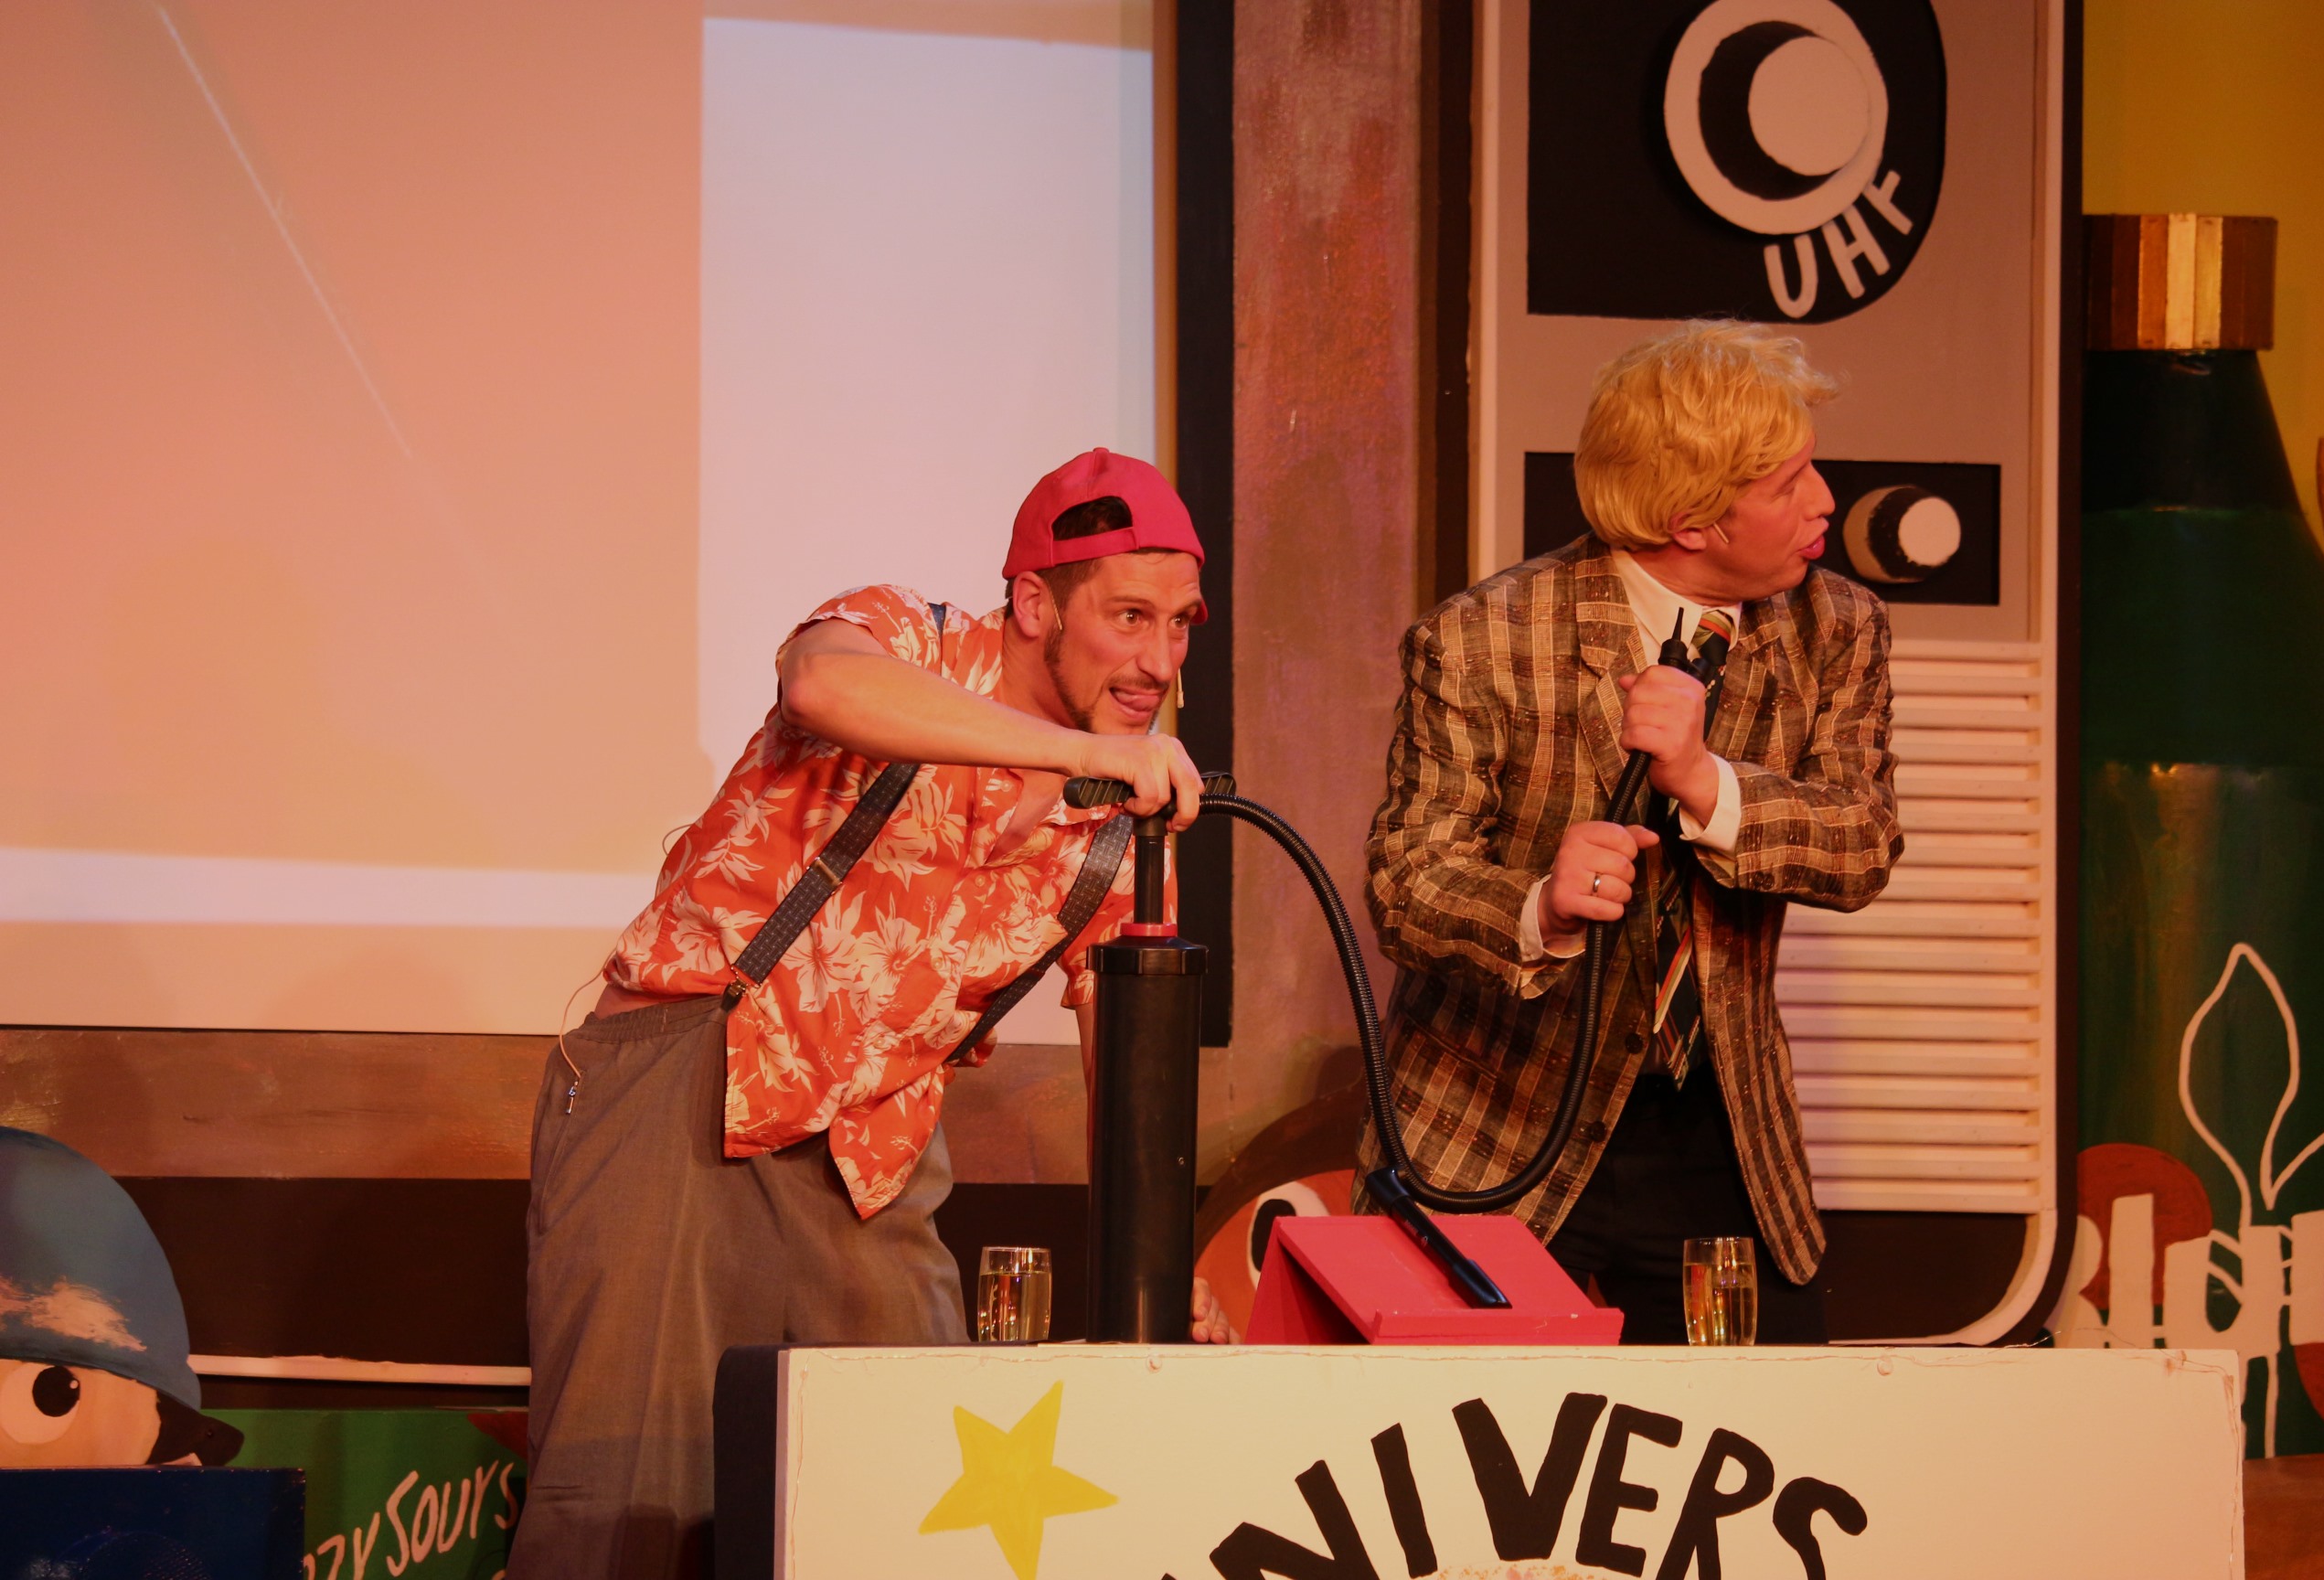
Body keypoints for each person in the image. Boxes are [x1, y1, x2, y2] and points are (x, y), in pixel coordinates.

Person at [513, 448, 1232, 1580]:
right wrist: (1085, 751)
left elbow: (1125, 1090)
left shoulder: (1114, 832)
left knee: (923, 1496)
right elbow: (821, 687)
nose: (1159, 660)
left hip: (873, 1153)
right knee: (623, 1506)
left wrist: (1164, 1261)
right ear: (1034, 604)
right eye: (1129, 617)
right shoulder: (905, 636)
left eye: (1181, 624)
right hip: (689, 1076)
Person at [1363, 321, 1902, 1343]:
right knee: (1471, 1434)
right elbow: (1407, 882)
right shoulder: (1481, 638)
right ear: (1692, 520)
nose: (1824, 500)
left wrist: (1705, 783)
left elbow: (1862, 843)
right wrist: (1540, 906)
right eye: (1788, 482)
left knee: (1764, 1425)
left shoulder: (1835, 629)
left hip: (1716, 1126)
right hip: (1497, 1123)